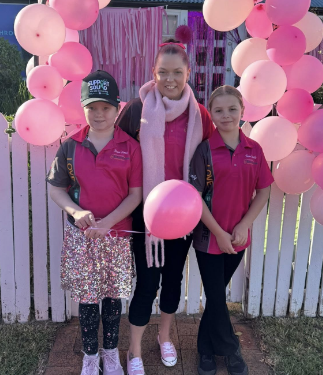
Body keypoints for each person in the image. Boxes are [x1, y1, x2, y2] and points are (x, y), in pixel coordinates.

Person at [116, 39, 214, 375]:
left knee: (173, 280)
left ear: (189, 73)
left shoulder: (199, 115)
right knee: (147, 283)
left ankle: (164, 336)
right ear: (153, 73)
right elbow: (118, 156)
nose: (169, 79)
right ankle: (134, 351)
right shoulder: (136, 110)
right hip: (146, 215)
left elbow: (209, 161)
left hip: (184, 216)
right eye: (162, 72)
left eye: (176, 72)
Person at [46, 70, 143, 375]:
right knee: (87, 298)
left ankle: (111, 353)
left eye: (106, 107)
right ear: (83, 108)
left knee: (113, 297)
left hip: (117, 237)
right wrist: (75, 212)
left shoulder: (130, 147)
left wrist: (108, 223)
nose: (99, 114)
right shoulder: (70, 146)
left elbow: (135, 195)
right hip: (82, 238)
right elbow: (56, 188)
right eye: (92, 107)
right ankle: (90, 356)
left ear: (117, 107)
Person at [189, 86, 273, 375]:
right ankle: (231, 349)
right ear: (211, 114)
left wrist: (244, 225)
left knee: (216, 298)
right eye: (219, 110)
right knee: (216, 296)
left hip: (238, 238)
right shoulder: (204, 150)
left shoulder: (254, 150)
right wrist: (218, 233)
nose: (226, 115)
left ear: (242, 111)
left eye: (232, 109)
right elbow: (195, 197)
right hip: (208, 238)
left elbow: (263, 191)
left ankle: (205, 349)